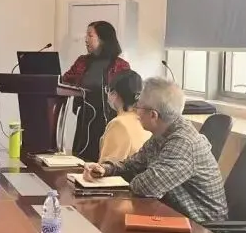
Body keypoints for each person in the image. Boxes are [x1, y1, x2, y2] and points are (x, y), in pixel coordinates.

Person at [83, 77, 227, 223]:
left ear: (153, 115)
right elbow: (133, 164)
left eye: (138, 106)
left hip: (203, 229)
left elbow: (146, 187)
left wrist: (134, 176)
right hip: (174, 218)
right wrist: (105, 169)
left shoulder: (183, 143)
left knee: (110, 222)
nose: (135, 111)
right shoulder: (163, 132)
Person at [60, 21, 132, 162]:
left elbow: (127, 94)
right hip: (85, 119)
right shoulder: (82, 61)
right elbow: (65, 81)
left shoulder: (121, 65)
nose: (86, 39)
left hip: (110, 120)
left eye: (90, 35)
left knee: (104, 158)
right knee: (81, 158)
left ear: (103, 39)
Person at [98, 69, 150, 163]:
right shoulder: (145, 120)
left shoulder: (118, 124)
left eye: (107, 90)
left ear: (114, 94)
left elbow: (106, 166)